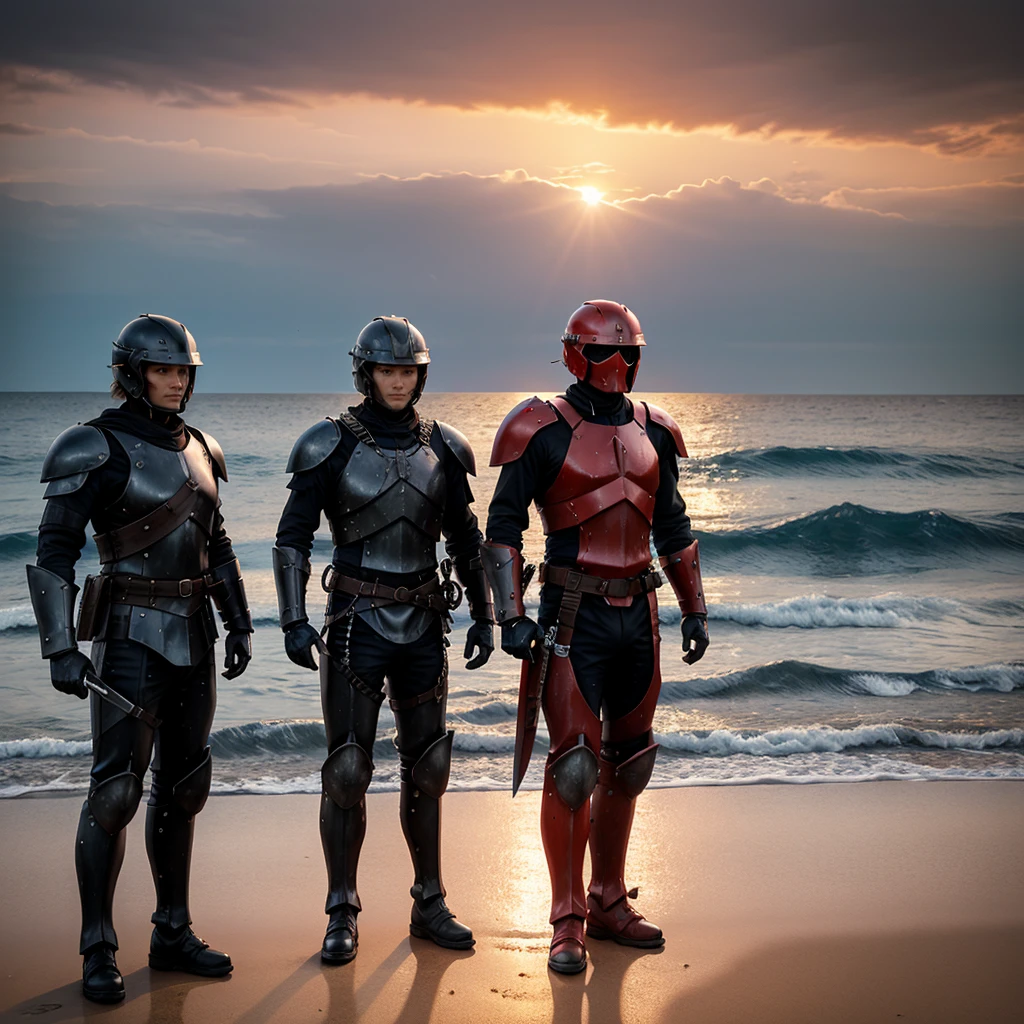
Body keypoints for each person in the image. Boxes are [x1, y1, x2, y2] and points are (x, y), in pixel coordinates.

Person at [26, 314, 254, 1003]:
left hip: (197, 638)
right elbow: (54, 550)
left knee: (185, 788)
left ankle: (172, 931)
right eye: (163, 370)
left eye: (184, 371)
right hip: (127, 636)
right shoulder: (91, 446)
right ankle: (98, 947)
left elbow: (217, 546)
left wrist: (239, 623)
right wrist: (61, 646)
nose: (176, 382)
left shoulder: (204, 448)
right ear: (131, 374)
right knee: (116, 791)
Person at [481, 299, 709, 974]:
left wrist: (695, 608)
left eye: (628, 353)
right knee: (574, 766)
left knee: (630, 760)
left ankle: (609, 898)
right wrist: (510, 615)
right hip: (573, 613)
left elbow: (672, 525)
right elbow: (501, 524)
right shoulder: (537, 426)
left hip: (639, 615)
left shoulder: (656, 430)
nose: (617, 366)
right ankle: (567, 916)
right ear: (576, 353)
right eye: (604, 352)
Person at [273, 315, 493, 965]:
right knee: (347, 769)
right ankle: (342, 910)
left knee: (429, 770)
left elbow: (465, 539)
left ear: (420, 375)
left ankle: (429, 902)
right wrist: (291, 618)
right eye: (386, 370)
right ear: (365, 373)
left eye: (407, 371)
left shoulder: (445, 447)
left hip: (426, 622)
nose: (397, 381)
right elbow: (293, 536)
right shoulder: (328, 444)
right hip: (354, 626)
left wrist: (484, 614)